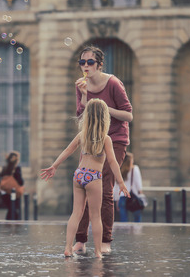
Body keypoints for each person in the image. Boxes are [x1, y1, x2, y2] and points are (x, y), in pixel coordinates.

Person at [41, 99, 130, 258]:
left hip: (79, 174)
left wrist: (54, 166)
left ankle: (68, 247)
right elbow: (113, 162)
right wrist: (121, 182)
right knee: (96, 216)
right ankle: (97, 251)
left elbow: (67, 150)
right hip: (94, 177)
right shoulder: (105, 139)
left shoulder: (82, 135)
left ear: (87, 116)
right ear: (105, 118)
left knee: (76, 213)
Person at [74, 45, 133, 254]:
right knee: (85, 184)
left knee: (105, 189)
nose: (85, 66)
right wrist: (83, 96)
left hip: (114, 139)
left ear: (99, 65)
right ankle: (80, 240)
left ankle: (106, 240)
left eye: (90, 62)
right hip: (91, 139)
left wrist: (103, 108)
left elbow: (128, 115)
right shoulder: (81, 85)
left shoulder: (113, 83)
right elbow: (82, 118)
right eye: (82, 62)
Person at [114, 152, 144, 222]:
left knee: (123, 220)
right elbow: (138, 184)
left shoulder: (119, 170)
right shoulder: (135, 169)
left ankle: (124, 232)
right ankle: (137, 232)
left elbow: (116, 186)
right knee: (137, 217)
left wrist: (117, 200)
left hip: (122, 196)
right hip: (134, 196)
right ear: (131, 160)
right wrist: (141, 194)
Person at [0, 151, 24, 220]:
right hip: (14, 192)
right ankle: (13, 226)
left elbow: (1, 177)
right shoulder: (17, 168)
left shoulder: (5, 167)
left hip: (5, 192)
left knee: (10, 209)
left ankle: (8, 225)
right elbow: (20, 181)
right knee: (15, 209)